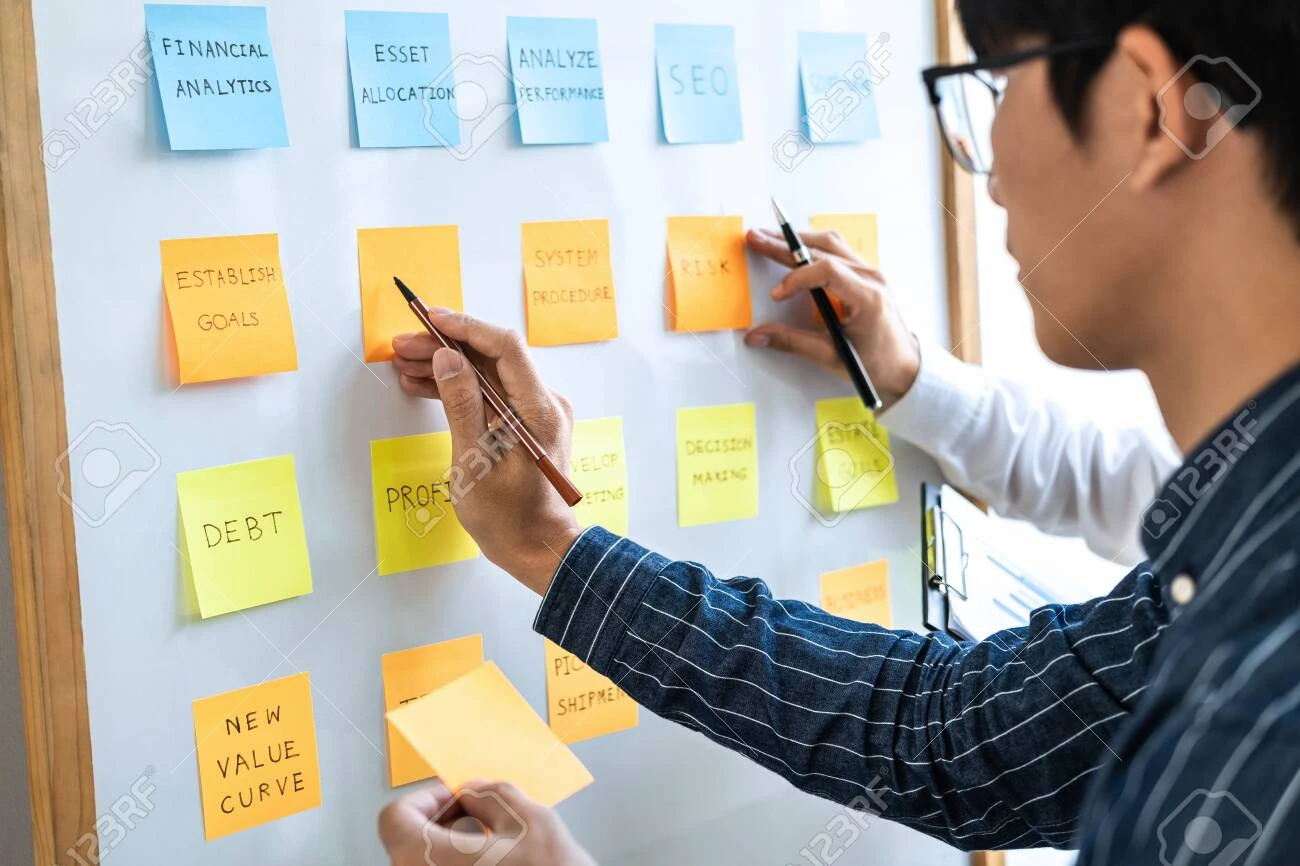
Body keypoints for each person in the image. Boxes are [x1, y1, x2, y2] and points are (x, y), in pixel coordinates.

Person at [383, 0, 1300, 863]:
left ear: (1148, 108)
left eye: (997, 87)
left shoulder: (1262, 686)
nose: (991, 172)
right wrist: (553, 548)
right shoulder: (1241, 550)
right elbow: (955, 734)